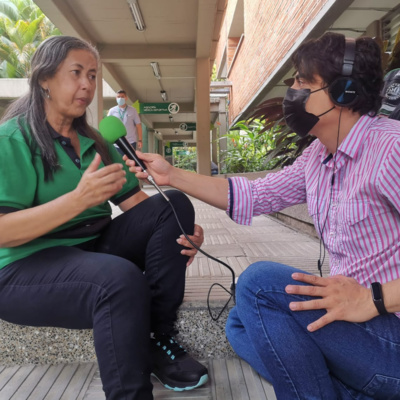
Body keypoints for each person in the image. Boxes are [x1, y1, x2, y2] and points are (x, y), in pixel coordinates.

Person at [125, 32, 400, 399]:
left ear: (344, 92)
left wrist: (373, 299)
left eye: (304, 81)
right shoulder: (317, 157)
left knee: (258, 283)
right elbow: (253, 194)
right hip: (354, 323)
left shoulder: (391, 148)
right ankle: (347, 389)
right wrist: (171, 175)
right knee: (241, 322)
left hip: (389, 333)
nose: (293, 92)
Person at [0, 35, 209, 400]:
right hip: (24, 266)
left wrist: (180, 232)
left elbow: (141, 210)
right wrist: (77, 199)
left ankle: (156, 338)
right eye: (76, 73)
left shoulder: (98, 143)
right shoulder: (13, 139)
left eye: (93, 75)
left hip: (90, 246)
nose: (87, 85)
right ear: (44, 79)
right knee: (118, 279)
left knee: (172, 205)